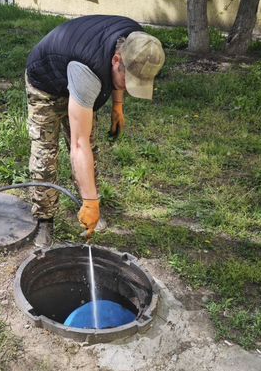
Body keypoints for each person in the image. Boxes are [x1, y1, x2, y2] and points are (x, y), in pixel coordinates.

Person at [25, 15, 165, 247]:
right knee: (45, 157)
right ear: (116, 59)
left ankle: (90, 206)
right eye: (128, 81)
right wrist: (92, 200)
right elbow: (78, 145)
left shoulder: (140, 43)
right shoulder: (87, 71)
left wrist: (117, 106)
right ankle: (44, 219)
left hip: (80, 78)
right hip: (46, 85)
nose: (129, 88)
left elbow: (118, 77)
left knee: (91, 151)